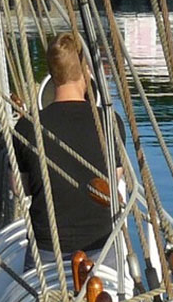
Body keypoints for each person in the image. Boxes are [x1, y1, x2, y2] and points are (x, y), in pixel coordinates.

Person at [13, 33, 120, 258]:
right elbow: (114, 180)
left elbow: (19, 188)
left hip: (48, 246)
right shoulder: (110, 122)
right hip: (101, 246)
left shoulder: (27, 126)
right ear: (87, 72)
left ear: (51, 75)